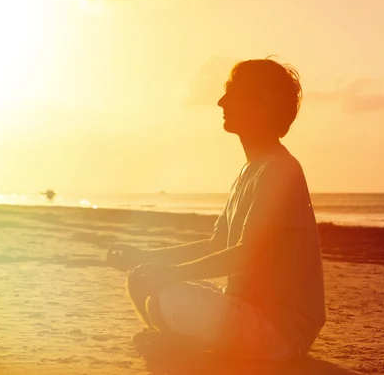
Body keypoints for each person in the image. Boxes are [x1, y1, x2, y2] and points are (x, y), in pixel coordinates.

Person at [106, 58, 325, 362]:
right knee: (140, 277)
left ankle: (187, 346)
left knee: (171, 298)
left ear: (261, 105)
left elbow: (243, 255)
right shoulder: (249, 171)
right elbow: (216, 245)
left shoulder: (281, 170)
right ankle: (184, 344)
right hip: (243, 309)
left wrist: (169, 273)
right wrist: (146, 257)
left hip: (279, 330)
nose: (221, 101)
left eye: (231, 93)